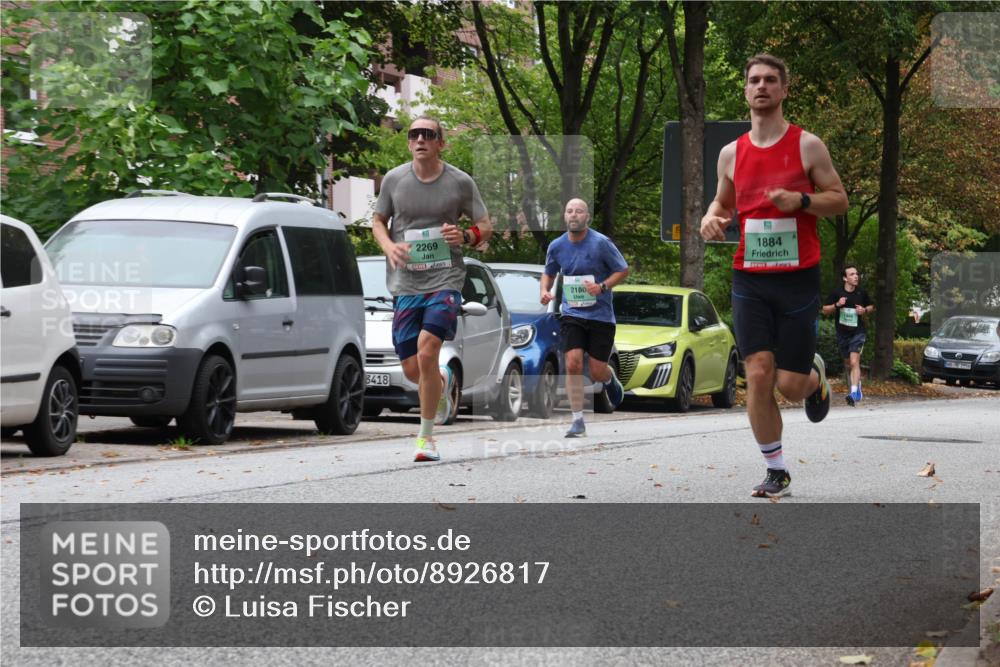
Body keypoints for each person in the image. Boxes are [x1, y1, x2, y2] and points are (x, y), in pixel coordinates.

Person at [700, 53, 849, 498]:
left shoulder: (808, 145)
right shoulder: (731, 154)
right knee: (759, 373)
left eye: (770, 80)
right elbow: (722, 202)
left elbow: (839, 199)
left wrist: (801, 201)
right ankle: (776, 469)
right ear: (746, 90)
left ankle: (814, 379)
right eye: (754, 80)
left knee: (791, 386)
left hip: (798, 277)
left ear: (785, 89)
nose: (761, 86)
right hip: (750, 277)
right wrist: (710, 217)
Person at [372, 116, 491, 462]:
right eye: (414, 134)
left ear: (441, 142)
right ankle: (440, 381)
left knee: (427, 350)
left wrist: (465, 236)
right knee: (413, 369)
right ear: (409, 142)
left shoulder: (460, 182)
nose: (420, 139)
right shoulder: (394, 180)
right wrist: (388, 247)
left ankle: (426, 439)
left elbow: (484, 225)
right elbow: (378, 221)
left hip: (445, 279)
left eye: (428, 134)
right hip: (406, 283)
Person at [540, 198, 629, 438]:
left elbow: (622, 270)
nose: (574, 215)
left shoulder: (601, 243)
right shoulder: (557, 246)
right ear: (564, 216)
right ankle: (577, 420)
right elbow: (548, 273)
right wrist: (544, 291)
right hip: (572, 314)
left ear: (587, 217)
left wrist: (602, 286)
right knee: (573, 363)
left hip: (601, 315)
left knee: (597, 371)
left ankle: (609, 379)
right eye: (569, 211)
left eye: (579, 211)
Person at [822, 264, 874, 405]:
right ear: (845, 278)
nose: (856, 276)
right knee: (848, 363)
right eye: (852, 274)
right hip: (842, 333)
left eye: (856, 274)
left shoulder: (861, 293)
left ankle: (853, 393)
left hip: (858, 332)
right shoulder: (837, 293)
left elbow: (871, 306)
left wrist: (864, 310)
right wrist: (837, 305)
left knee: (853, 361)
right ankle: (858, 386)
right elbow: (824, 310)